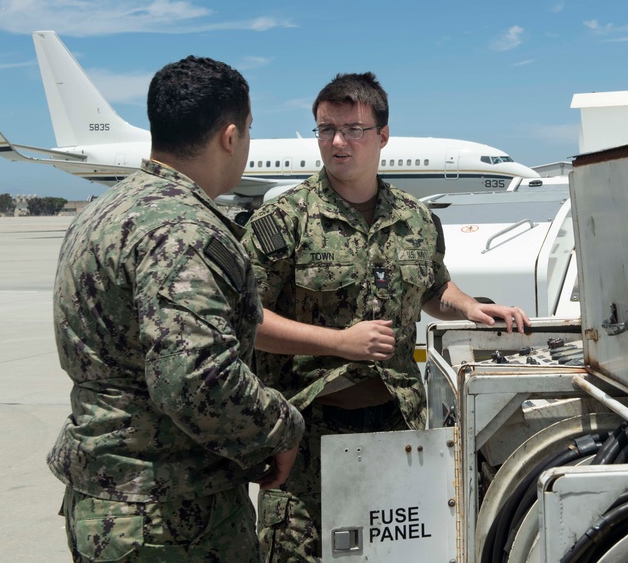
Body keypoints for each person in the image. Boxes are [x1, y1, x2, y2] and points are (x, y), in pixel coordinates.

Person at [242, 71, 530, 560]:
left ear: (382, 136)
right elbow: (246, 321)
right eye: (325, 128)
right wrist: (337, 343)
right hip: (308, 435)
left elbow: (433, 286)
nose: (337, 141)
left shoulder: (415, 218)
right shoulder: (283, 220)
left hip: (397, 431)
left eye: (353, 129)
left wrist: (469, 307)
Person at [48, 55, 304, 562]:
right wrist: (281, 426)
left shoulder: (104, 212)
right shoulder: (184, 229)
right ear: (230, 136)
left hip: (105, 502)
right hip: (171, 519)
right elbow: (194, 376)